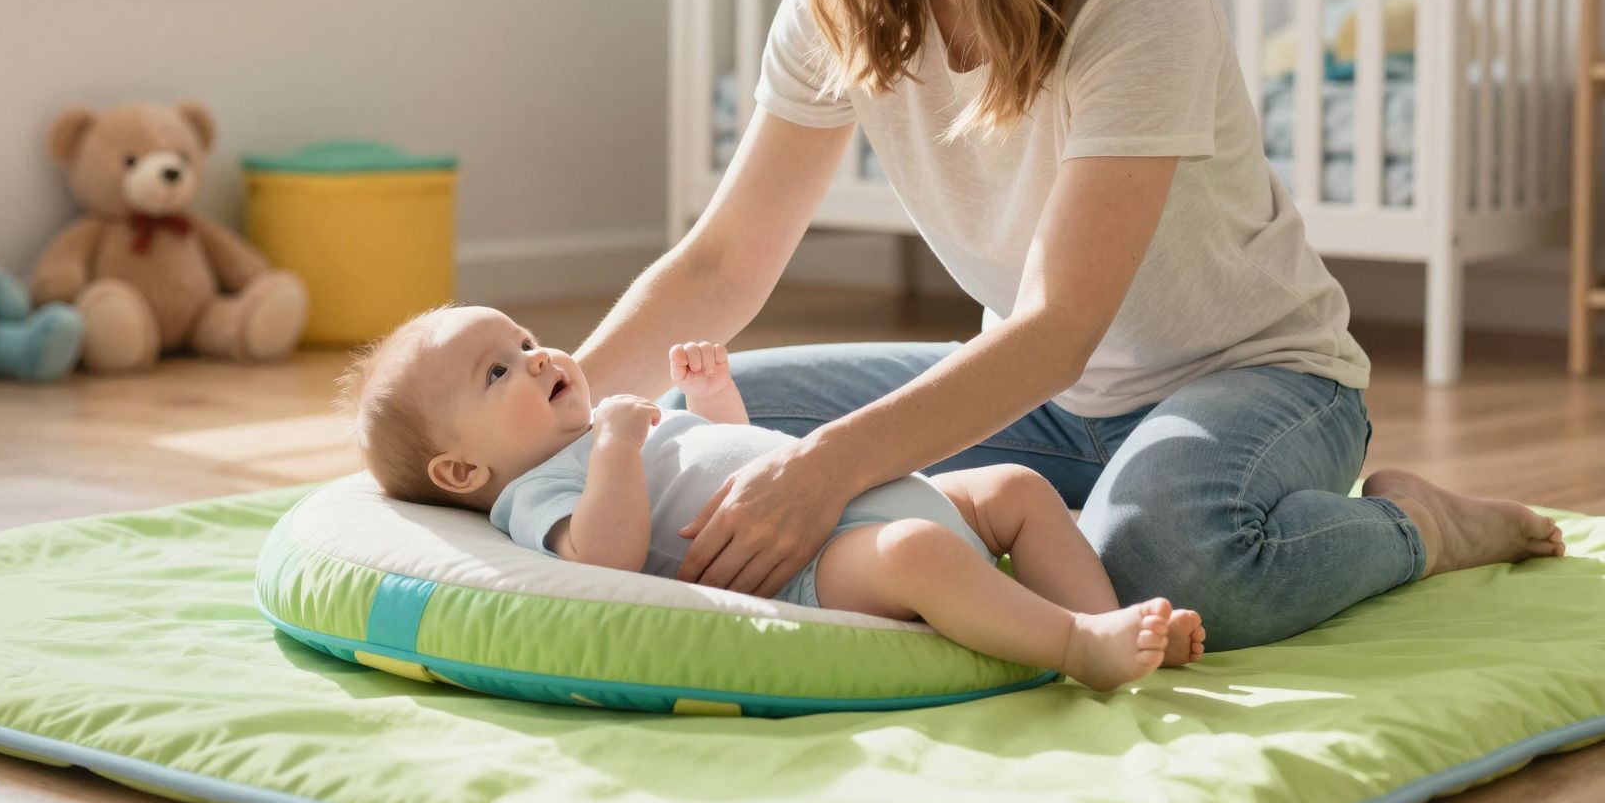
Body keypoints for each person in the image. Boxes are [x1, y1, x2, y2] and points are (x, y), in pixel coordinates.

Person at [575, 0, 1563, 652]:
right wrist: (550, 411)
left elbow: (1058, 326)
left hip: (1251, 377)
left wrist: (828, 469)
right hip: (1043, 401)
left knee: (1164, 561)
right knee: (670, 431)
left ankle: (1415, 529)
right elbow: (721, 262)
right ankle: (1059, 505)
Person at [338, 304, 1205, 690]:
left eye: (525, 339)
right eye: (500, 371)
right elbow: (601, 557)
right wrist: (616, 448)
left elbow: (739, 453)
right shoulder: (539, 490)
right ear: (460, 471)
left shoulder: (604, 425)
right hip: (812, 564)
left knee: (1015, 486)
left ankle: (1114, 621)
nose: (538, 357)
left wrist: (712, 402)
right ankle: (1074, 646)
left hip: (858, 492)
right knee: (918, 556)